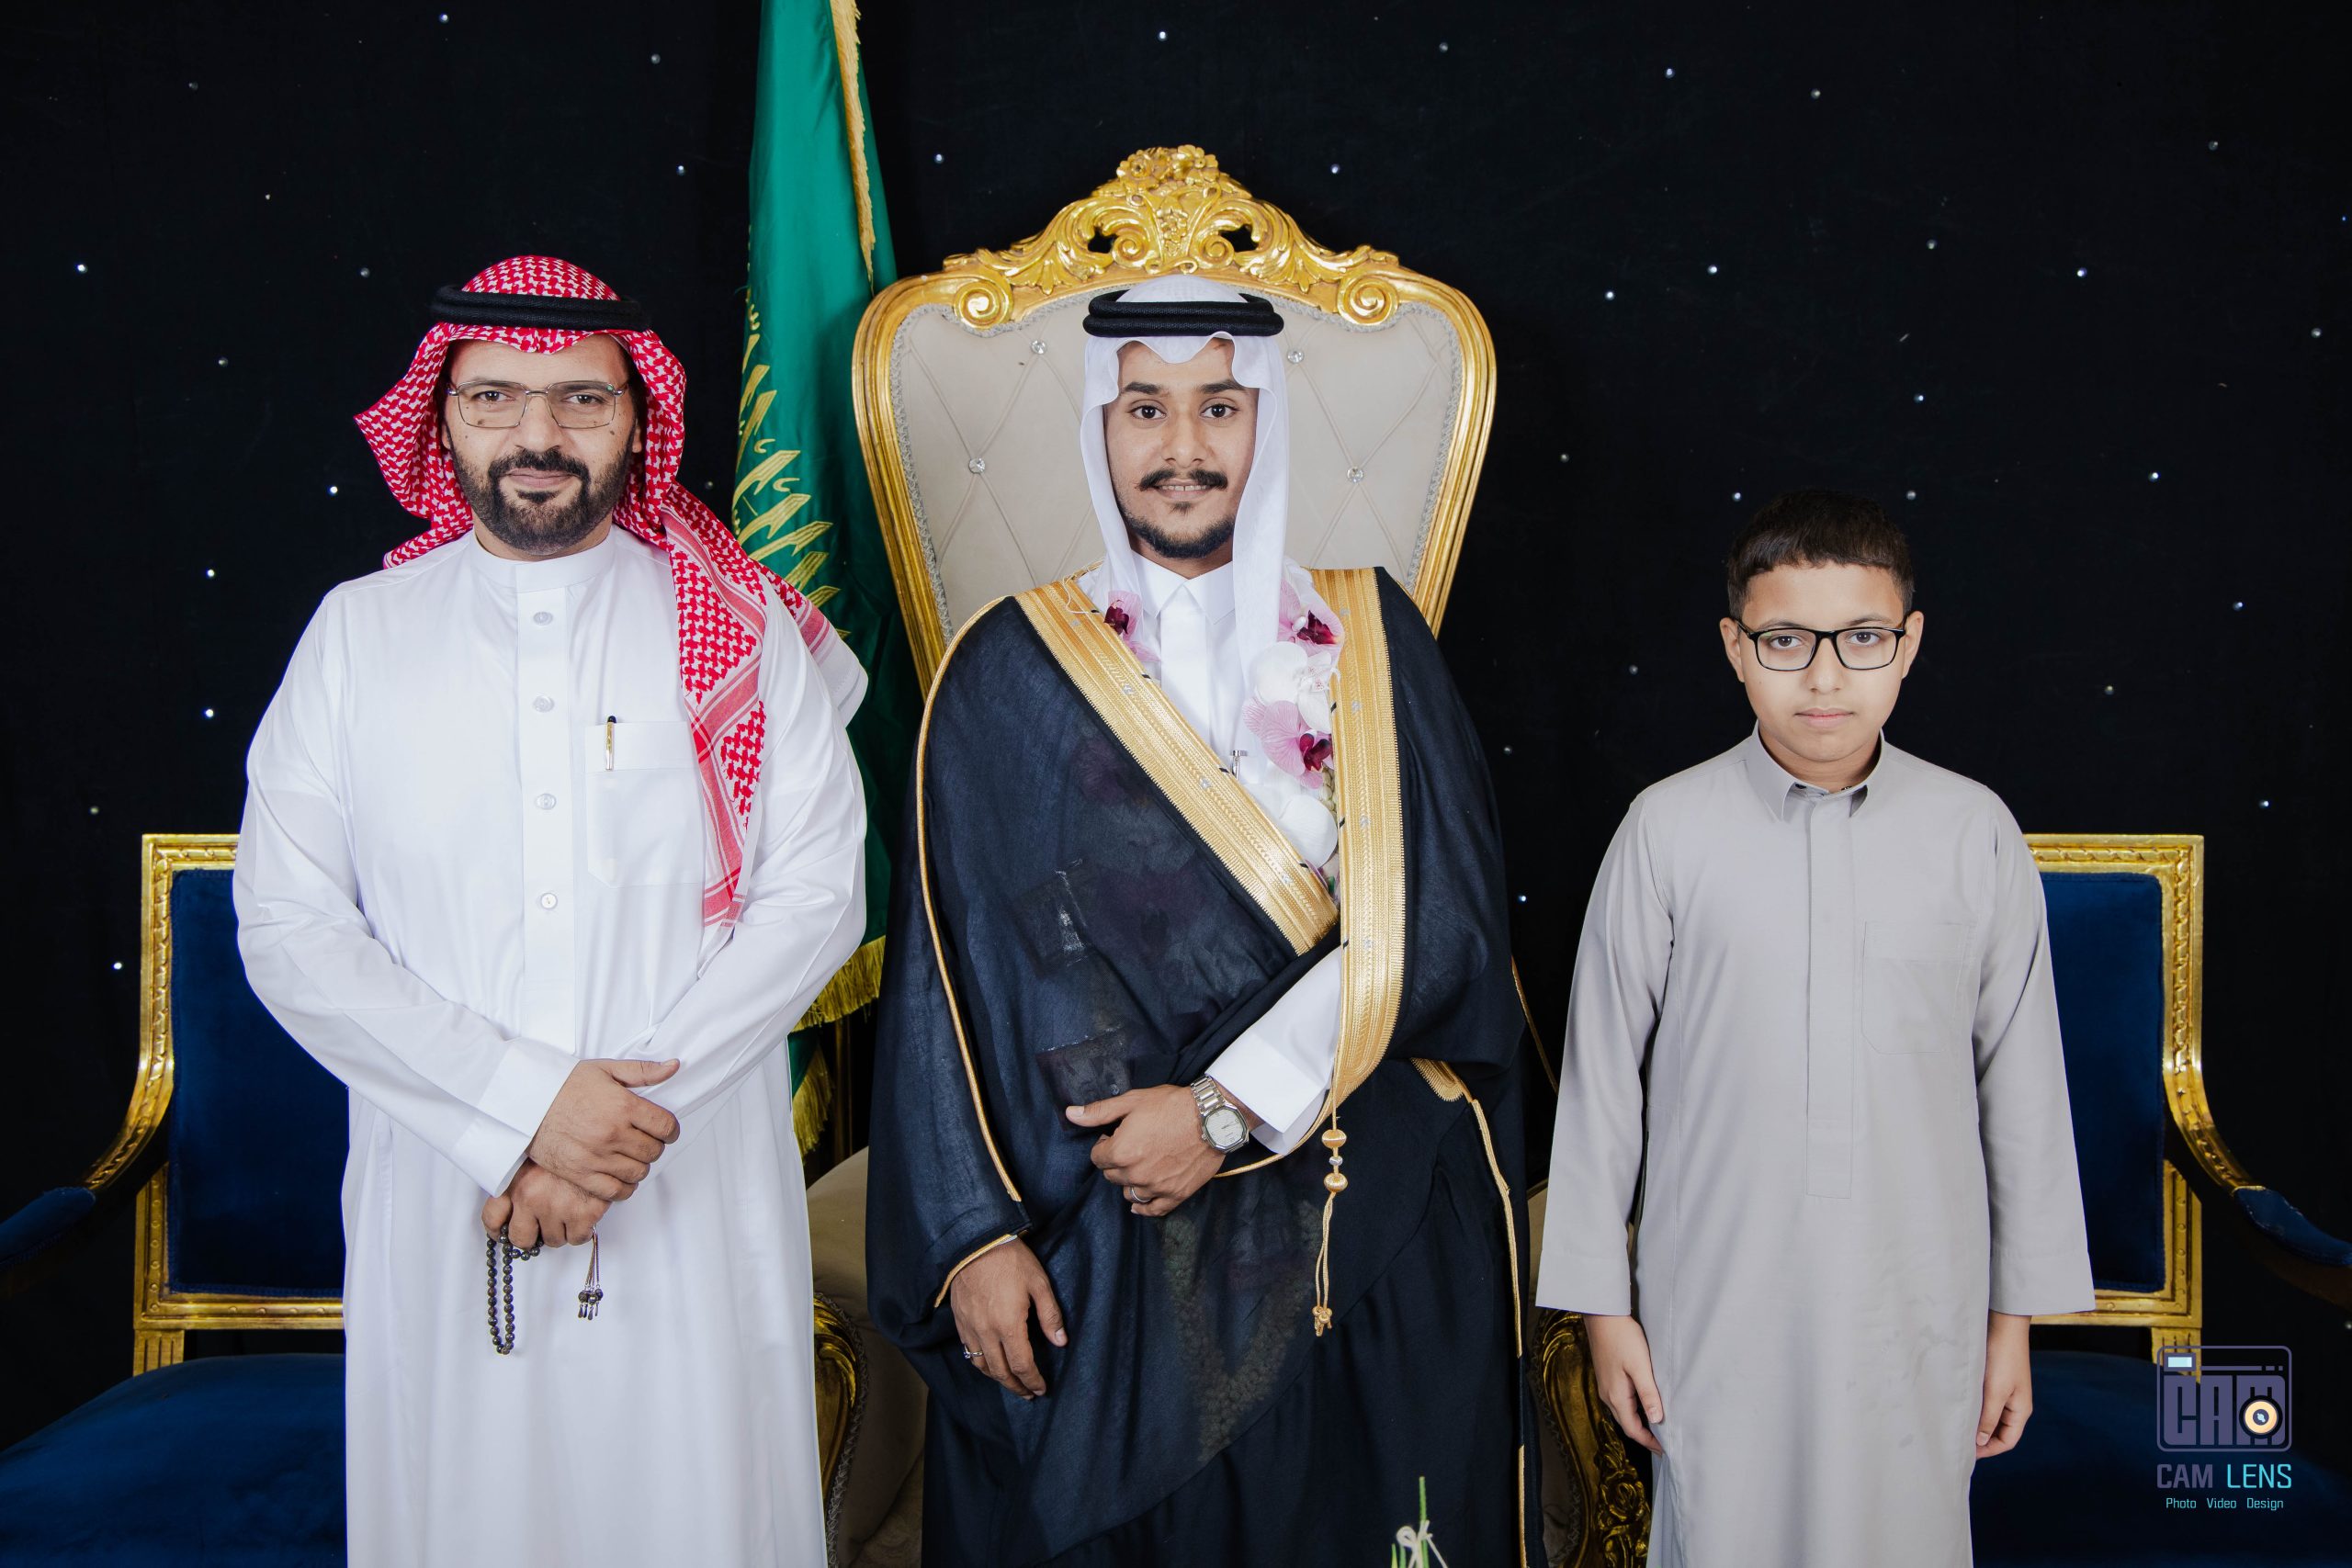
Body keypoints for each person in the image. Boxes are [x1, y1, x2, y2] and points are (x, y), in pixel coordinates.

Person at [865, 276, 1542, 1565]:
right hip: (1092, 1210)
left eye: (1218, 407)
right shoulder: (1002, 667)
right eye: (1146, 409)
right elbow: (942, 981)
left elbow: (1439, 925)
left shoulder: (1370, 638)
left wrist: (1224, 1108)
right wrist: (970, 1238)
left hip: (1343, 1173)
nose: (1182, 447)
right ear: (1098, 425)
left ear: (1265, 419)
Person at [233, 255, 869, 1567]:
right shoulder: (357, 635)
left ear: (639, 418)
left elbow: (816, 899)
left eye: (582, 398)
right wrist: (522, 1108)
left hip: (687, 1167)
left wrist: (610, 1134)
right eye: (495, 398)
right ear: (442, 418)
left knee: (697, 1505)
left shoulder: (742, 626)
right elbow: (290, 927)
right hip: (446, 1167)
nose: (538, 435)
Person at [1538, 490, 2095, 1567]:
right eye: (1786, 641)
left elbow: (2022, 1090)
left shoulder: (1972, 831)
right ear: (1734, 648)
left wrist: (2012, 1323)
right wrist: (1605, 1312)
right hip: (1716, 1294)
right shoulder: (1665, 829)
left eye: (1862, 639)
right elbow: (1602, 1085)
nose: (1826, 677)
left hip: (1915, 1296)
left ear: (1908, 645)